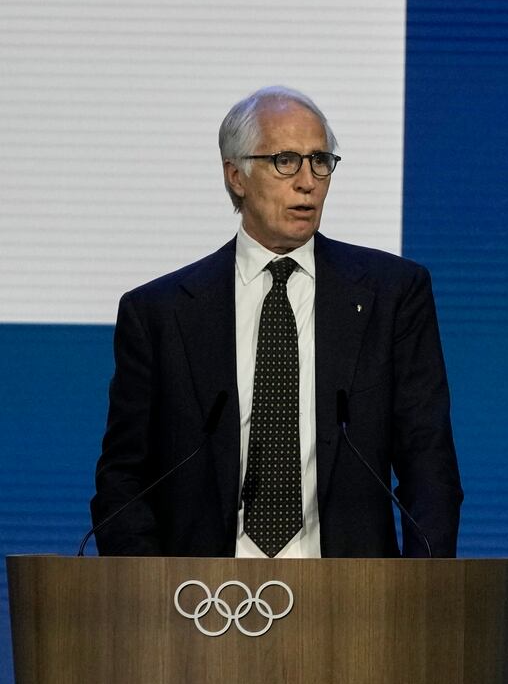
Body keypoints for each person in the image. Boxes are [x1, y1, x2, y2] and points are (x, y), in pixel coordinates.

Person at [89, 86, 462, 556]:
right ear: (236, 176)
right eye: (285, 161)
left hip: (355, 602)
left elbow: (428, 462)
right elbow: (124, 480)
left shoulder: (392, 295)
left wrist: (426, 595)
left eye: (320, 161)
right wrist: (152, 600)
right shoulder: (160, 313)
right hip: (199, 604)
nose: (307, 181)